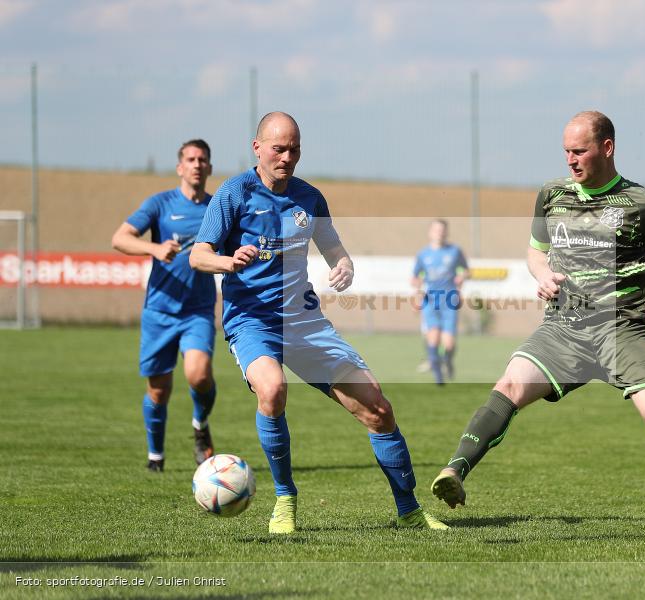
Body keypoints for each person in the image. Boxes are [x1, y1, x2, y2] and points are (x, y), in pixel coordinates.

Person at [431, 111, 645, 542]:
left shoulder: (642, 204)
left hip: (623, 328)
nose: (570, 159)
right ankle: (454, 470)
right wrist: (542, 275)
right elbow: (535, 253)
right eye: (566, 150)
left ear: (606, 148)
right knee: (510, 384)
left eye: (579, 150)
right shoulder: (551, 195)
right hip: (564, 328)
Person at [190, 111, 447, 534]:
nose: (286, 157)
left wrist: (344, 267)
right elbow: (198, 254)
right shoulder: (233, 194)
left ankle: (410, 511)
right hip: (252, 322)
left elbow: (334, 250)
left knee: (378, 409)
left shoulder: (309, 198)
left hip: (306, 324)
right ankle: (285, 499)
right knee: (272, 390)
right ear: (257, 148)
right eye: (278, 148)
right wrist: (227, 261)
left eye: (294, 149)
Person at [111, 139, 218, 472]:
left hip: (198, 309)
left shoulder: (217, 208)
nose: (197, 164)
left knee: (199, 375)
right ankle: (155, 456)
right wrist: (155, 249)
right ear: (180, 167)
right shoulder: (159, 204)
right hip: (159, 310)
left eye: (202, 159)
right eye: (191, 158)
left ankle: (200, 425)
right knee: (158, 390)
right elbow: (120, 238)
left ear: (209, 168)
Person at [411, 219, 469, 384]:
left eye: (442, 230)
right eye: (436, 230)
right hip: (430, 300)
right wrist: (417, 291)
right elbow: (415, 277)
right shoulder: (423, 254)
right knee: (433, 339)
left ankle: (448, 362)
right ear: (430, 232)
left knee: (449, 344)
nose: (439, 233)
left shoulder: (455, 251)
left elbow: (466, 271)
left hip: (450, 300)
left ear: (446, 232)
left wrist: (462, 277)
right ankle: (439, 379)